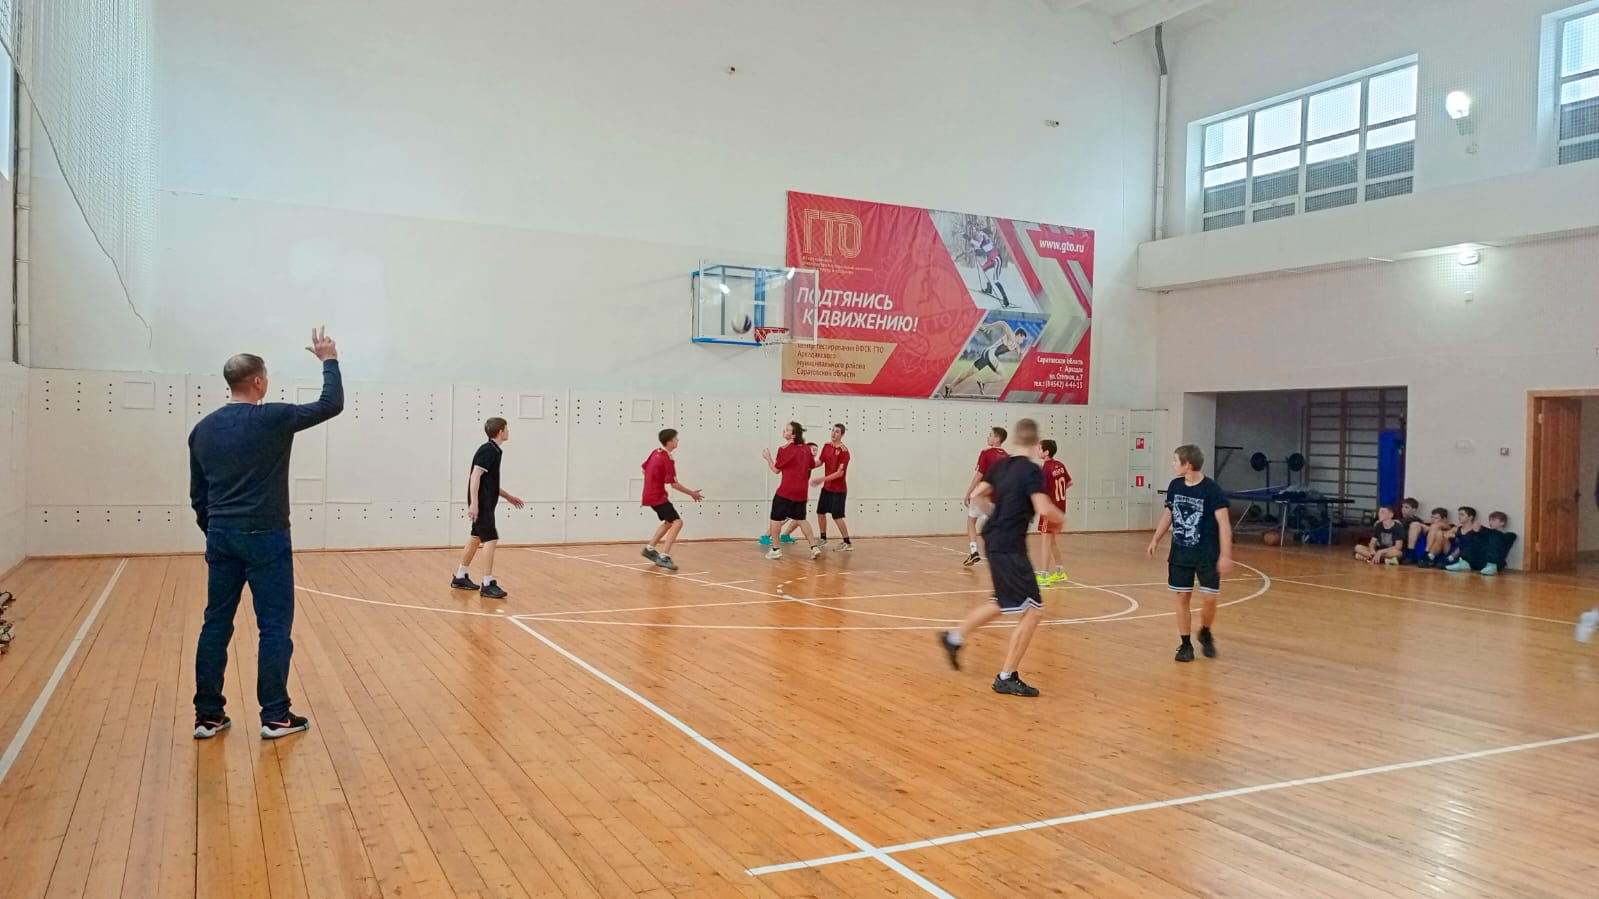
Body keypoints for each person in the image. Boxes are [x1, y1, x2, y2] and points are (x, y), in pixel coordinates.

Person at [189, 327, 343, 741]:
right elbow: (331, 404)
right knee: (273, 627)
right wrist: (329, 359)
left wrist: (215, 529)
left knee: (215, 624)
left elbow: (198, 495)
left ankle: (208, 716)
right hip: (267, 537)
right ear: (258, 381)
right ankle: (275, 716)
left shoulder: (202, 430)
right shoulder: (273, 418)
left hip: (221, 536)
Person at [938, 418, 1062, 697]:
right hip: (1010, 545)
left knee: (1003, 601)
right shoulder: (1031, 471)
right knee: (1034, 610)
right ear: (1036, 442)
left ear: (1015, 439)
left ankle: (954, 637)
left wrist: (995, 514)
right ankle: (1006, 676)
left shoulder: (1001, 466)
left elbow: (977, 494)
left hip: (993, 540)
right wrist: (1060, 518)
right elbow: (1043, 508)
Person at [1147, 445, 1234, 663]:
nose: (1173, 464)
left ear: (1188, 465)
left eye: (1176, 461)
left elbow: (1224, 523)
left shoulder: (1212, 490)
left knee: (1210, 598)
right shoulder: (1175, 486)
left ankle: (1205, 631)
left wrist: (1225, 554)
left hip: (1207, 553)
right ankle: (1185, 644)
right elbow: (1168, 514)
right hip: (1181, 552)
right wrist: (1156, 538)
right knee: (1182, 596)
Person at [451, 418, 525, 599]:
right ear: (500, 431)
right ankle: (487, 583)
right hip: (482, 504)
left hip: (485, 502)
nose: (508, 431)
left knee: (476, 537)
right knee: (491, 539)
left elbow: (488, 482)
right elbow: (475, 476)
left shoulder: (494, 450)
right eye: (506, 429)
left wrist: (508, 496)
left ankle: (460, 577)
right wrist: (474, 504)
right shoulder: (488, 450)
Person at [640, 428, 704, 570]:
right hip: (657, 496)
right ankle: (664, 556)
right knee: (677, 522)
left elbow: (644, 469)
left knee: (669, 522)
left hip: (649, 494)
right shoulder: (667, 459)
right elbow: (674, 484)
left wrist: (654, 480)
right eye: (676, 438)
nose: (677, 440)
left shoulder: (655, 452)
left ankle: (649, 549)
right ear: (669, 442)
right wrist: (692, 493)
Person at [762, 422, 823, 560]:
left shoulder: (784, 449)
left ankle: (776, 549)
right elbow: (812, 465)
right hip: (801, 492)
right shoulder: (806, 449)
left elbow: (776, 470)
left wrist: (768, 457)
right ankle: (814, 547)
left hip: (786, 491)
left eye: (788, 430)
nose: (784, 431)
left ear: (793, 435)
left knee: (775, 519)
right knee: (801, 519)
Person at [961, 427, 1009, 566]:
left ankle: (974, 551)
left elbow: (979, 474)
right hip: (997, 496)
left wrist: (969, 492)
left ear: (997, 438)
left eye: (990, 435)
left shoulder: (986, 453)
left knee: (971, 521)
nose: (988, 437)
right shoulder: (1007, 456)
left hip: (982, 494)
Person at [944, 322, 1030, 398]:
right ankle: (982, 382)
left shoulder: (1016, 345)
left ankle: (950, 386)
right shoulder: (1012, 336)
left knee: (970, 372)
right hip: (990, 353)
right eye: (1022, 339)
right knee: (1003, 376)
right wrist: (990, 326)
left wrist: (1026, 348)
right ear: (1019, 335)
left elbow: (1020, 358)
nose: (1022, 341)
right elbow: (1003, 324)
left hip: (988, 354)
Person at [812, 424, 854, 551]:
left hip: (838, 490)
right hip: (827, 488)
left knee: (837, 516)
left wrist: (821, 479)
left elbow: (839, 473)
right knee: (820, 512)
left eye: (837, 432)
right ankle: (823, 538)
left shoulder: (844, 452)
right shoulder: (826, 446)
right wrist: (808, 465)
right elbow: (820, 462)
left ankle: (847, 542)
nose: (833, 433)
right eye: (832, 431)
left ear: (842, 434)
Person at [1037, 439, 1072, 584]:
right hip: (1060, 507)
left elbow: (1042, 491)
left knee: (1045, 540)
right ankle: (1059, 571)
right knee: (1051, 540)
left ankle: (1044, 575)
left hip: (1049, 509)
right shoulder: (1060, 465)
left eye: (1039, 448)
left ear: (1046, 452)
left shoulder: (1046, 469)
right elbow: (1069, 482)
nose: (1038, 451)